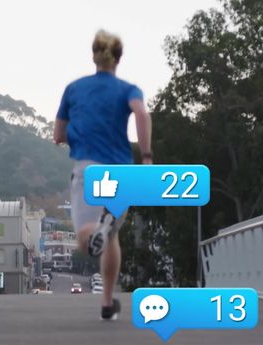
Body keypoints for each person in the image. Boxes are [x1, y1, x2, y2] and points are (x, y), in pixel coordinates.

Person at [53, 30, 152, 321]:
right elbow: (142, 115)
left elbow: (58, 134)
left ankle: (98, 229)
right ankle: (108, 303)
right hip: (123, 172)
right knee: (111, 236)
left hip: (89, 170)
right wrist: (146, 156)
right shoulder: (128, 89)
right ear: (118, 58)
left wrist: (77, 136)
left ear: (94, 56)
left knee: (88, 238)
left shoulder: (74, 89)